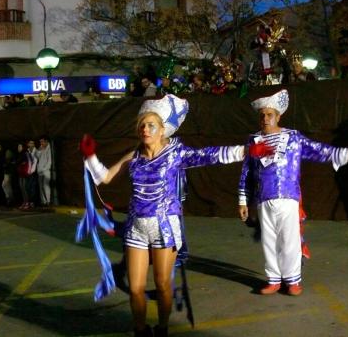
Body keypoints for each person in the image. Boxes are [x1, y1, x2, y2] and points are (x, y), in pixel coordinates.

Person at [80, 94, 266, 337]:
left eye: (151, 125)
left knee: (163, 284)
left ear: (162, 131)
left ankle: (163, 328)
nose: (145, 129)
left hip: (165, 227)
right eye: (142, 125)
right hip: (136, 227)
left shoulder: (175, 154)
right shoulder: (133, 155)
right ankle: (140, 330)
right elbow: (104, 177)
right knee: (135, 288)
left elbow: (210, 154)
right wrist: (90, 156)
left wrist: (247, 151)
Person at [237, 89, 348, 296]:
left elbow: (318, 150)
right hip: (263, 198)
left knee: (290, 240)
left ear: (278, 116)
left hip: (288, 197)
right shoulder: (254, 140)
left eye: (270, 115)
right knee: (269, 240)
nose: (266, 119)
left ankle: (292, 281)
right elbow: (247, 171)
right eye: (263, 115)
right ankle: (274, 280)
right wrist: (243, 200)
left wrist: (346, 154)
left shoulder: (293, 137)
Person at [36, 136, 53, 207]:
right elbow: (37, 157)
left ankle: (48, 201)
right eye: (40, 142)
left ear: (46, 141)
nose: (41, 143)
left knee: (45, 185)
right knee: (40, 186)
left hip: (46, 170)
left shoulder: (49, 148)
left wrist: (45, 168)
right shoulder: (41, 147)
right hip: (40, 170)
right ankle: (44, 202)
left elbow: (50, 161)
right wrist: (39, 150)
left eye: (42, 141)